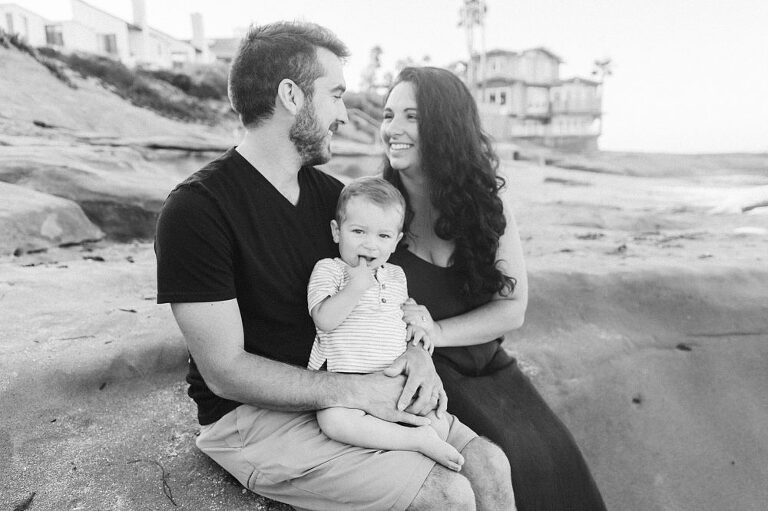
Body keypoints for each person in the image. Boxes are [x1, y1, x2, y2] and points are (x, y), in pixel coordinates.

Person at [155, 22, 514, 510]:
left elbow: (384, 294)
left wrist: (416, 355)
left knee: (490, 465)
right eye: (336, 95)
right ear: (291, 96)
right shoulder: (197, 210)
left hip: (345, 386)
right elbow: (224, 371)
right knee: (447, 494)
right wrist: (355, 393)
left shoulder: (334, 200)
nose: (344, 115)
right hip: (252, 415)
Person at [382, 66, 608, 511]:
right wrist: (422, 345)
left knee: (558, 459)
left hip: (489, 364)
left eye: (412, 117)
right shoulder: (378, 208)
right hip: (430, 371)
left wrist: (438, 330)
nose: (393, 129)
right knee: (504, 463)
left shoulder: (486, 204)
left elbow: (512, 307)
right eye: (389, 116)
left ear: (446, 128)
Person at [308, 177, 465, 472]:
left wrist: (416, 329)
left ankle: (411, 438)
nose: (370, 244)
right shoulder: (330, 270)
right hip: (346, 385)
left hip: (393, 380)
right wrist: (355, 288)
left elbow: (401, 316)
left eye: (383, 236)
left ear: (396, 240)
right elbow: (324, 320)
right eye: (358, 231)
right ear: (337, 232)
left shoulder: (395, 275)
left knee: (439, 423)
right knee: (333, 421)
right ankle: (415, 441)